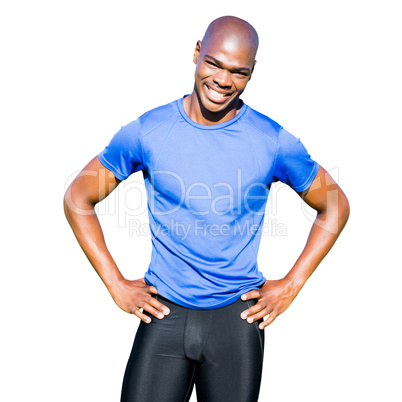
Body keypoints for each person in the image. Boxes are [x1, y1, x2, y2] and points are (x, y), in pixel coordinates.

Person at [64, 15, 350, 402]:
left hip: (237, 322)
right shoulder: (149, 132)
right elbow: (78, 197)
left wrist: (291, 285)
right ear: (197, 52)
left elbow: (334, 204)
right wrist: (115, 283)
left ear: (251, 73)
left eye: (239, 72)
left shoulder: (271, 141)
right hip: (164, 314)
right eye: (214, 63)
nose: (223, 80)